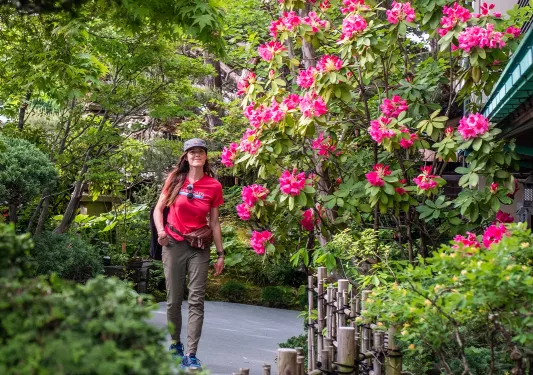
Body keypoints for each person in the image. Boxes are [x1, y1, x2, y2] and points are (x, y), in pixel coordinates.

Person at [153, 138, 225, 370]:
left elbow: (214, 222)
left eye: (200, 152)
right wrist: (161, 231)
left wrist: (221, 253)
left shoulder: (213, 186)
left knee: (196, 300)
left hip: (199, 248)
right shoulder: (175, 180)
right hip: (173, 244)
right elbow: (158, 209)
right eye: (192, 152)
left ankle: (191, 353)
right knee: (174, 300)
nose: (196, 155)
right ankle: (175, 344)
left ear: (205, 157)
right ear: (185, 156)